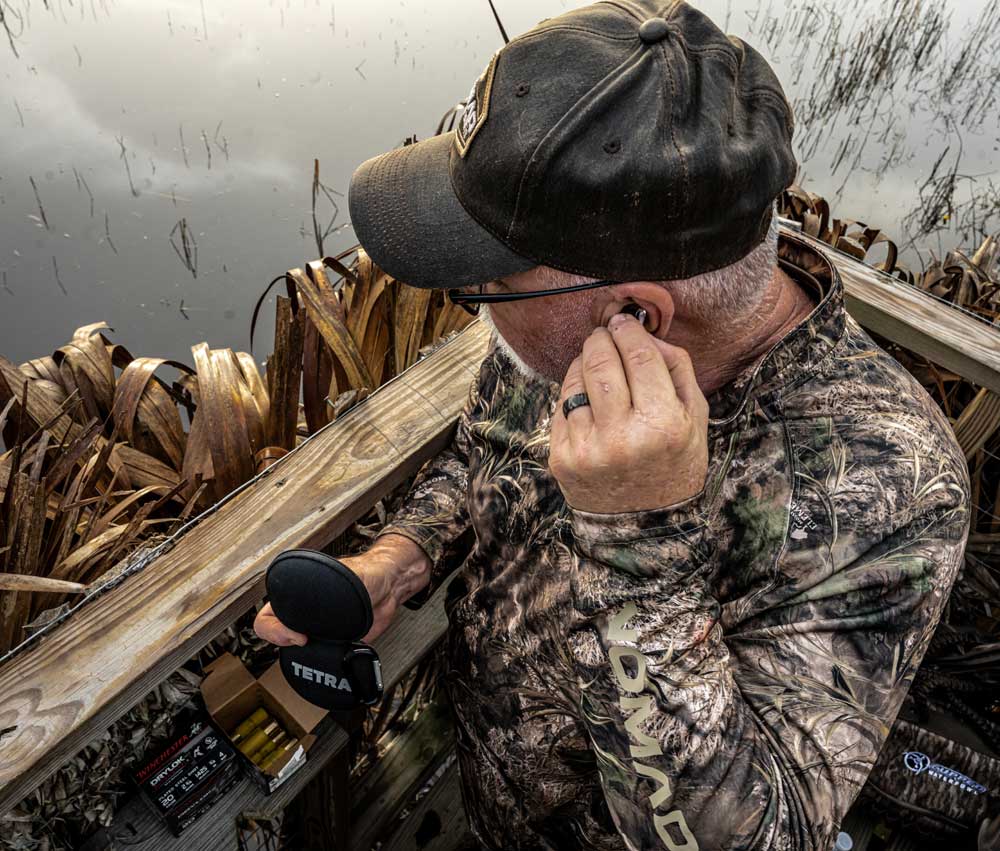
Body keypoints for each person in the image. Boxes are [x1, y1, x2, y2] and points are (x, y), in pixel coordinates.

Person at [255, 2, 972, 848]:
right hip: (490, 785)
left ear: (636, 313)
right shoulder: (575, 342)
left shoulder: (889, 489)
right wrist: (399, 559)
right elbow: (485, 449)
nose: (474, 312)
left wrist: (637, 532)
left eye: (481, 287)